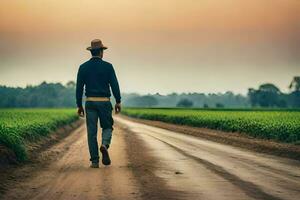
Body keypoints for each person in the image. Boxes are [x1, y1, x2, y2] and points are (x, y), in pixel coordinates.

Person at [76, 39, 121, 168]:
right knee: (107, 127)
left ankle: (95, 161)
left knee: (92, 132)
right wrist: (118, 101)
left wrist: (79, 105)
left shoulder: (83, 67)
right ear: (101, 52)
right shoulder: (108, 66)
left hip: (90, 102)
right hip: (104, 103)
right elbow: (114, 85)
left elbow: (79, 88)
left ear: (91, 52)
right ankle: (104, 145)